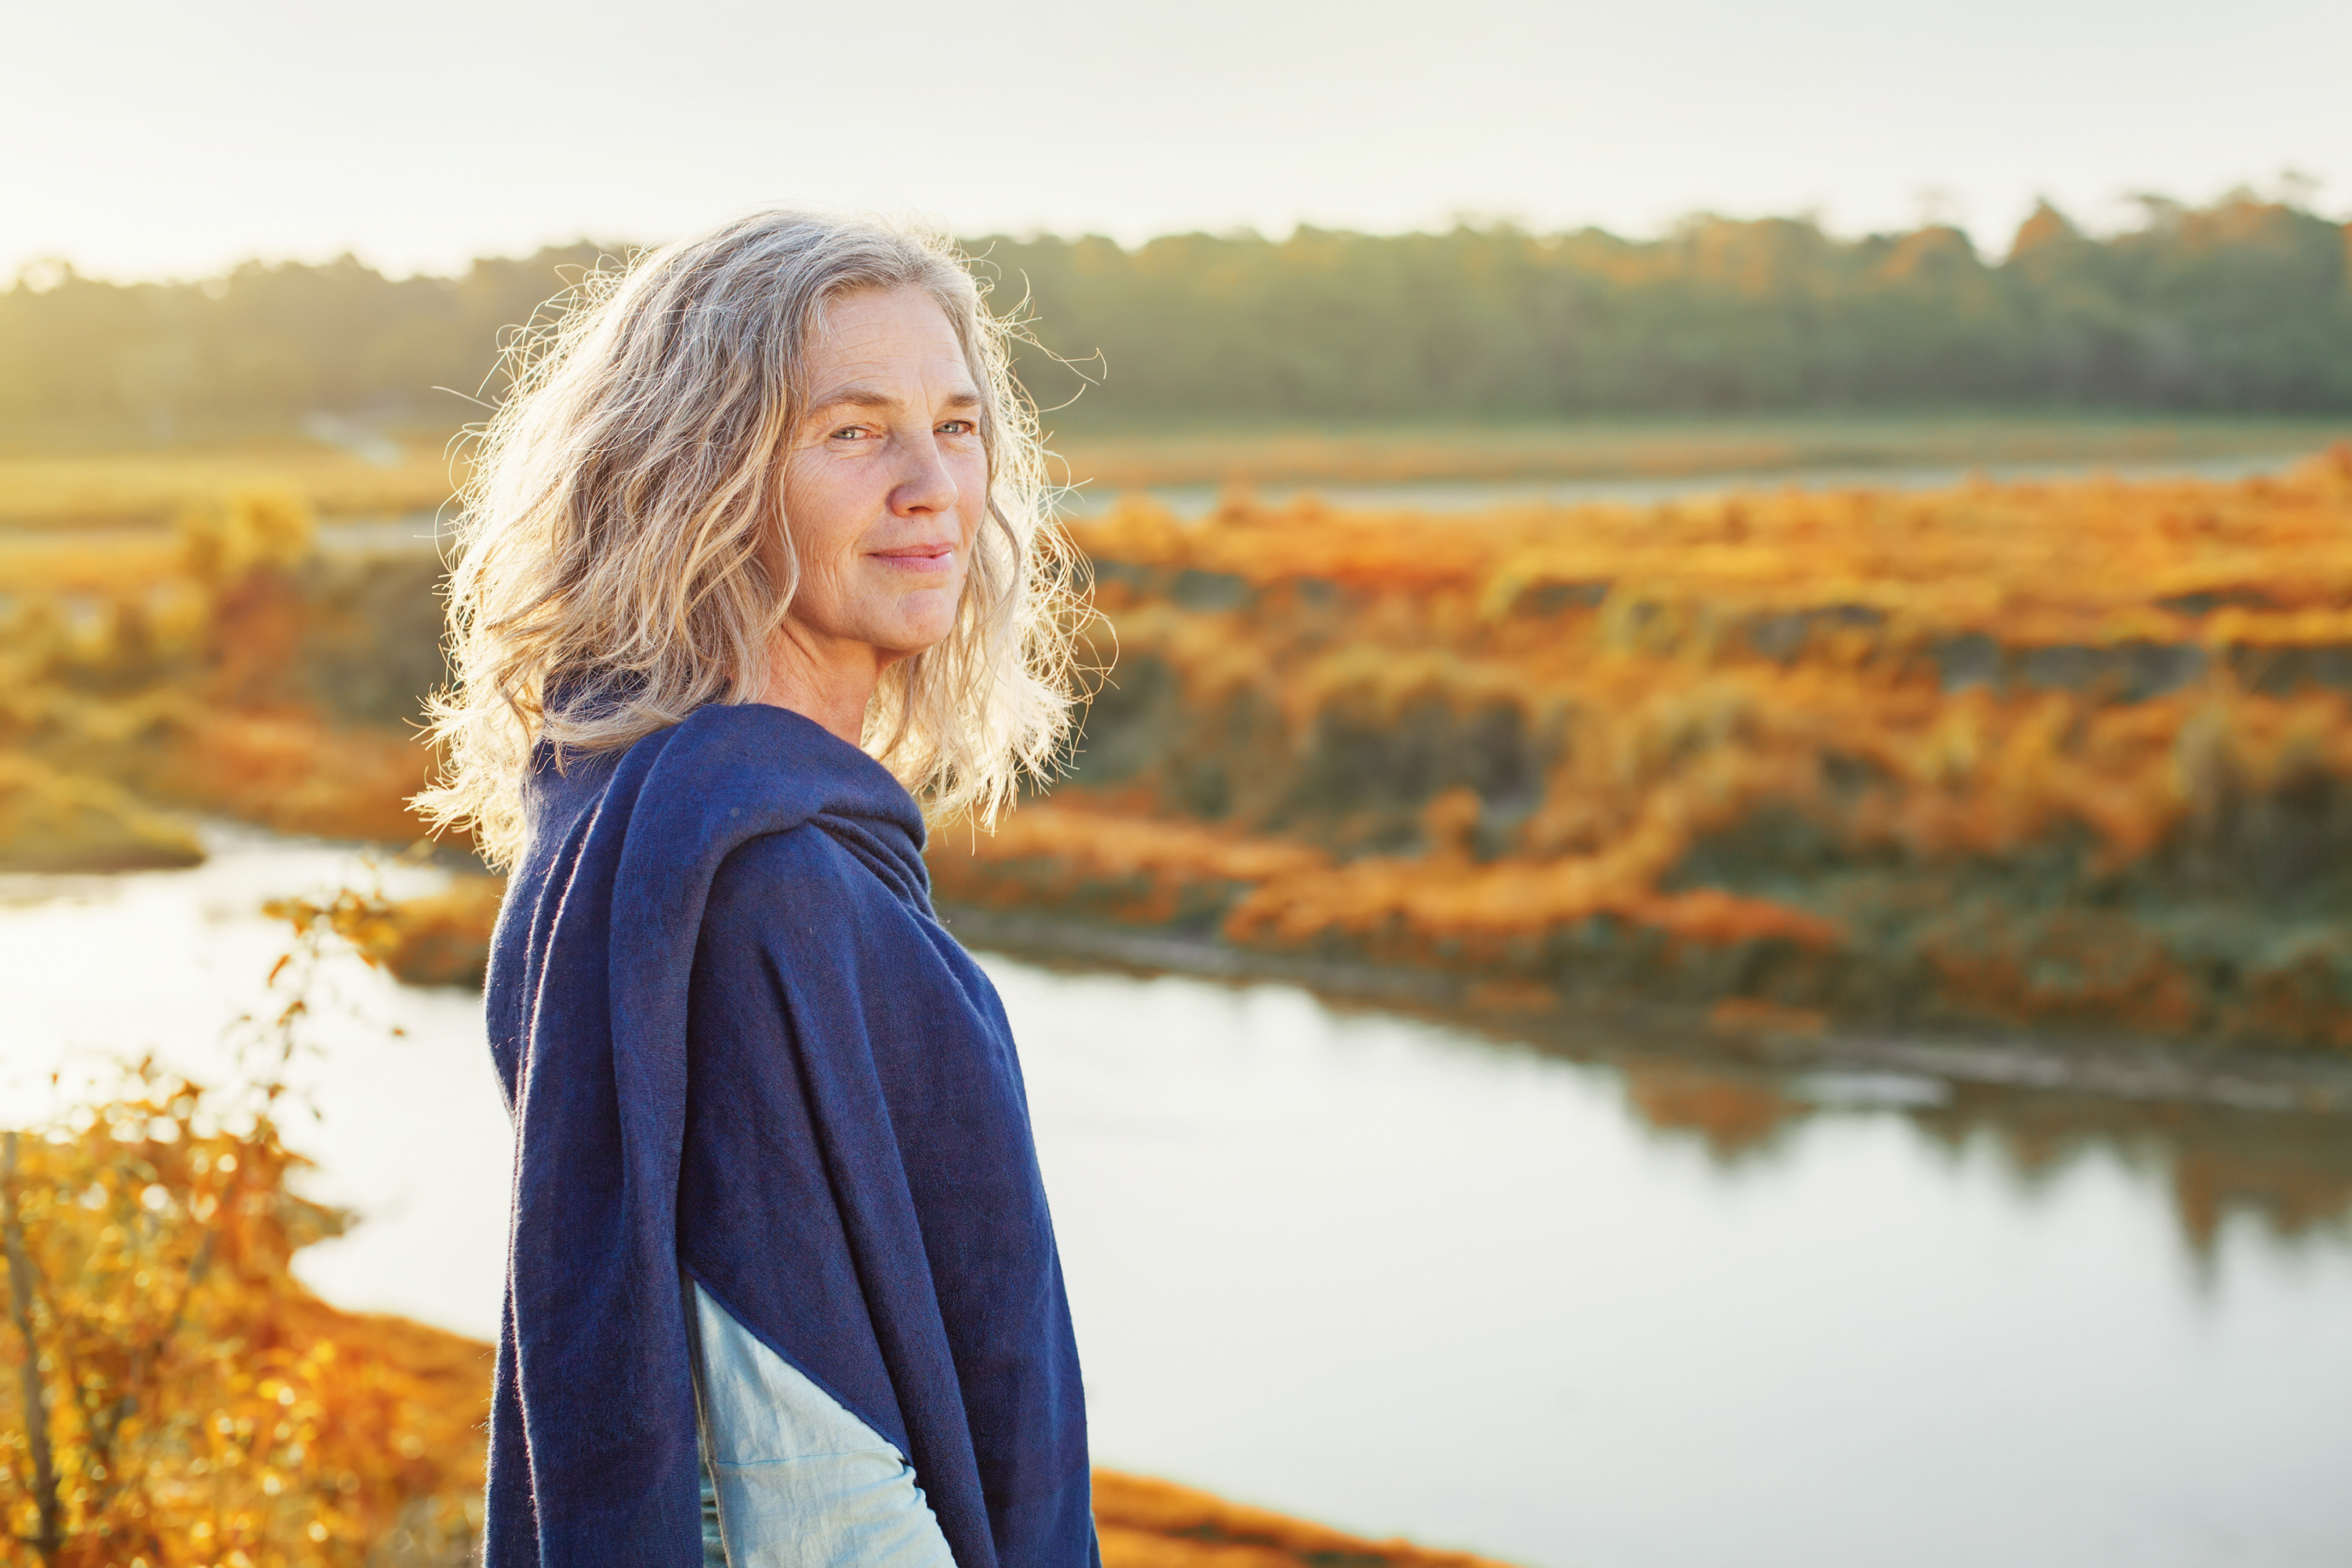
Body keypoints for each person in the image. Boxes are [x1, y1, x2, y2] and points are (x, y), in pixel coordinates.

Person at [418, 211, 1098, 1568]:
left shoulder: (636, 819)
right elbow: (807, 1480)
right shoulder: (752, 884)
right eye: (852, 431)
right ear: (701, 477)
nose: (932, 486)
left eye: (958, 427)